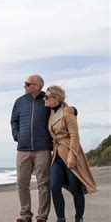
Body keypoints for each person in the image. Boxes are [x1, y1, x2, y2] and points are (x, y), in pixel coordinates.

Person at [44, 85, 97, 222]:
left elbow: (75, 136)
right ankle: (60, 219)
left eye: (47, 96)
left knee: (75, 188)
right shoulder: (50, 113)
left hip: (69, 152)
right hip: (56, 154)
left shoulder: (67, 113)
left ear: (57, 98)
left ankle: (79, 218)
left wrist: (72, 156)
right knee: (54, 186)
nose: (45, 98)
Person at [11, 74, 52, 222]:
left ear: (37, 86)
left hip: (43, 148)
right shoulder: (19, 101)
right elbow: (13, 120)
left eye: (27, 84)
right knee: (22, 183)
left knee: (44, 184)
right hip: (23, 149)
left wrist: (73, 109)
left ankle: (42, 215)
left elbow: (61, 109)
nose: (25, 86)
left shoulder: (47, 99)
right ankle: (25, 215)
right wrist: (17, 136)